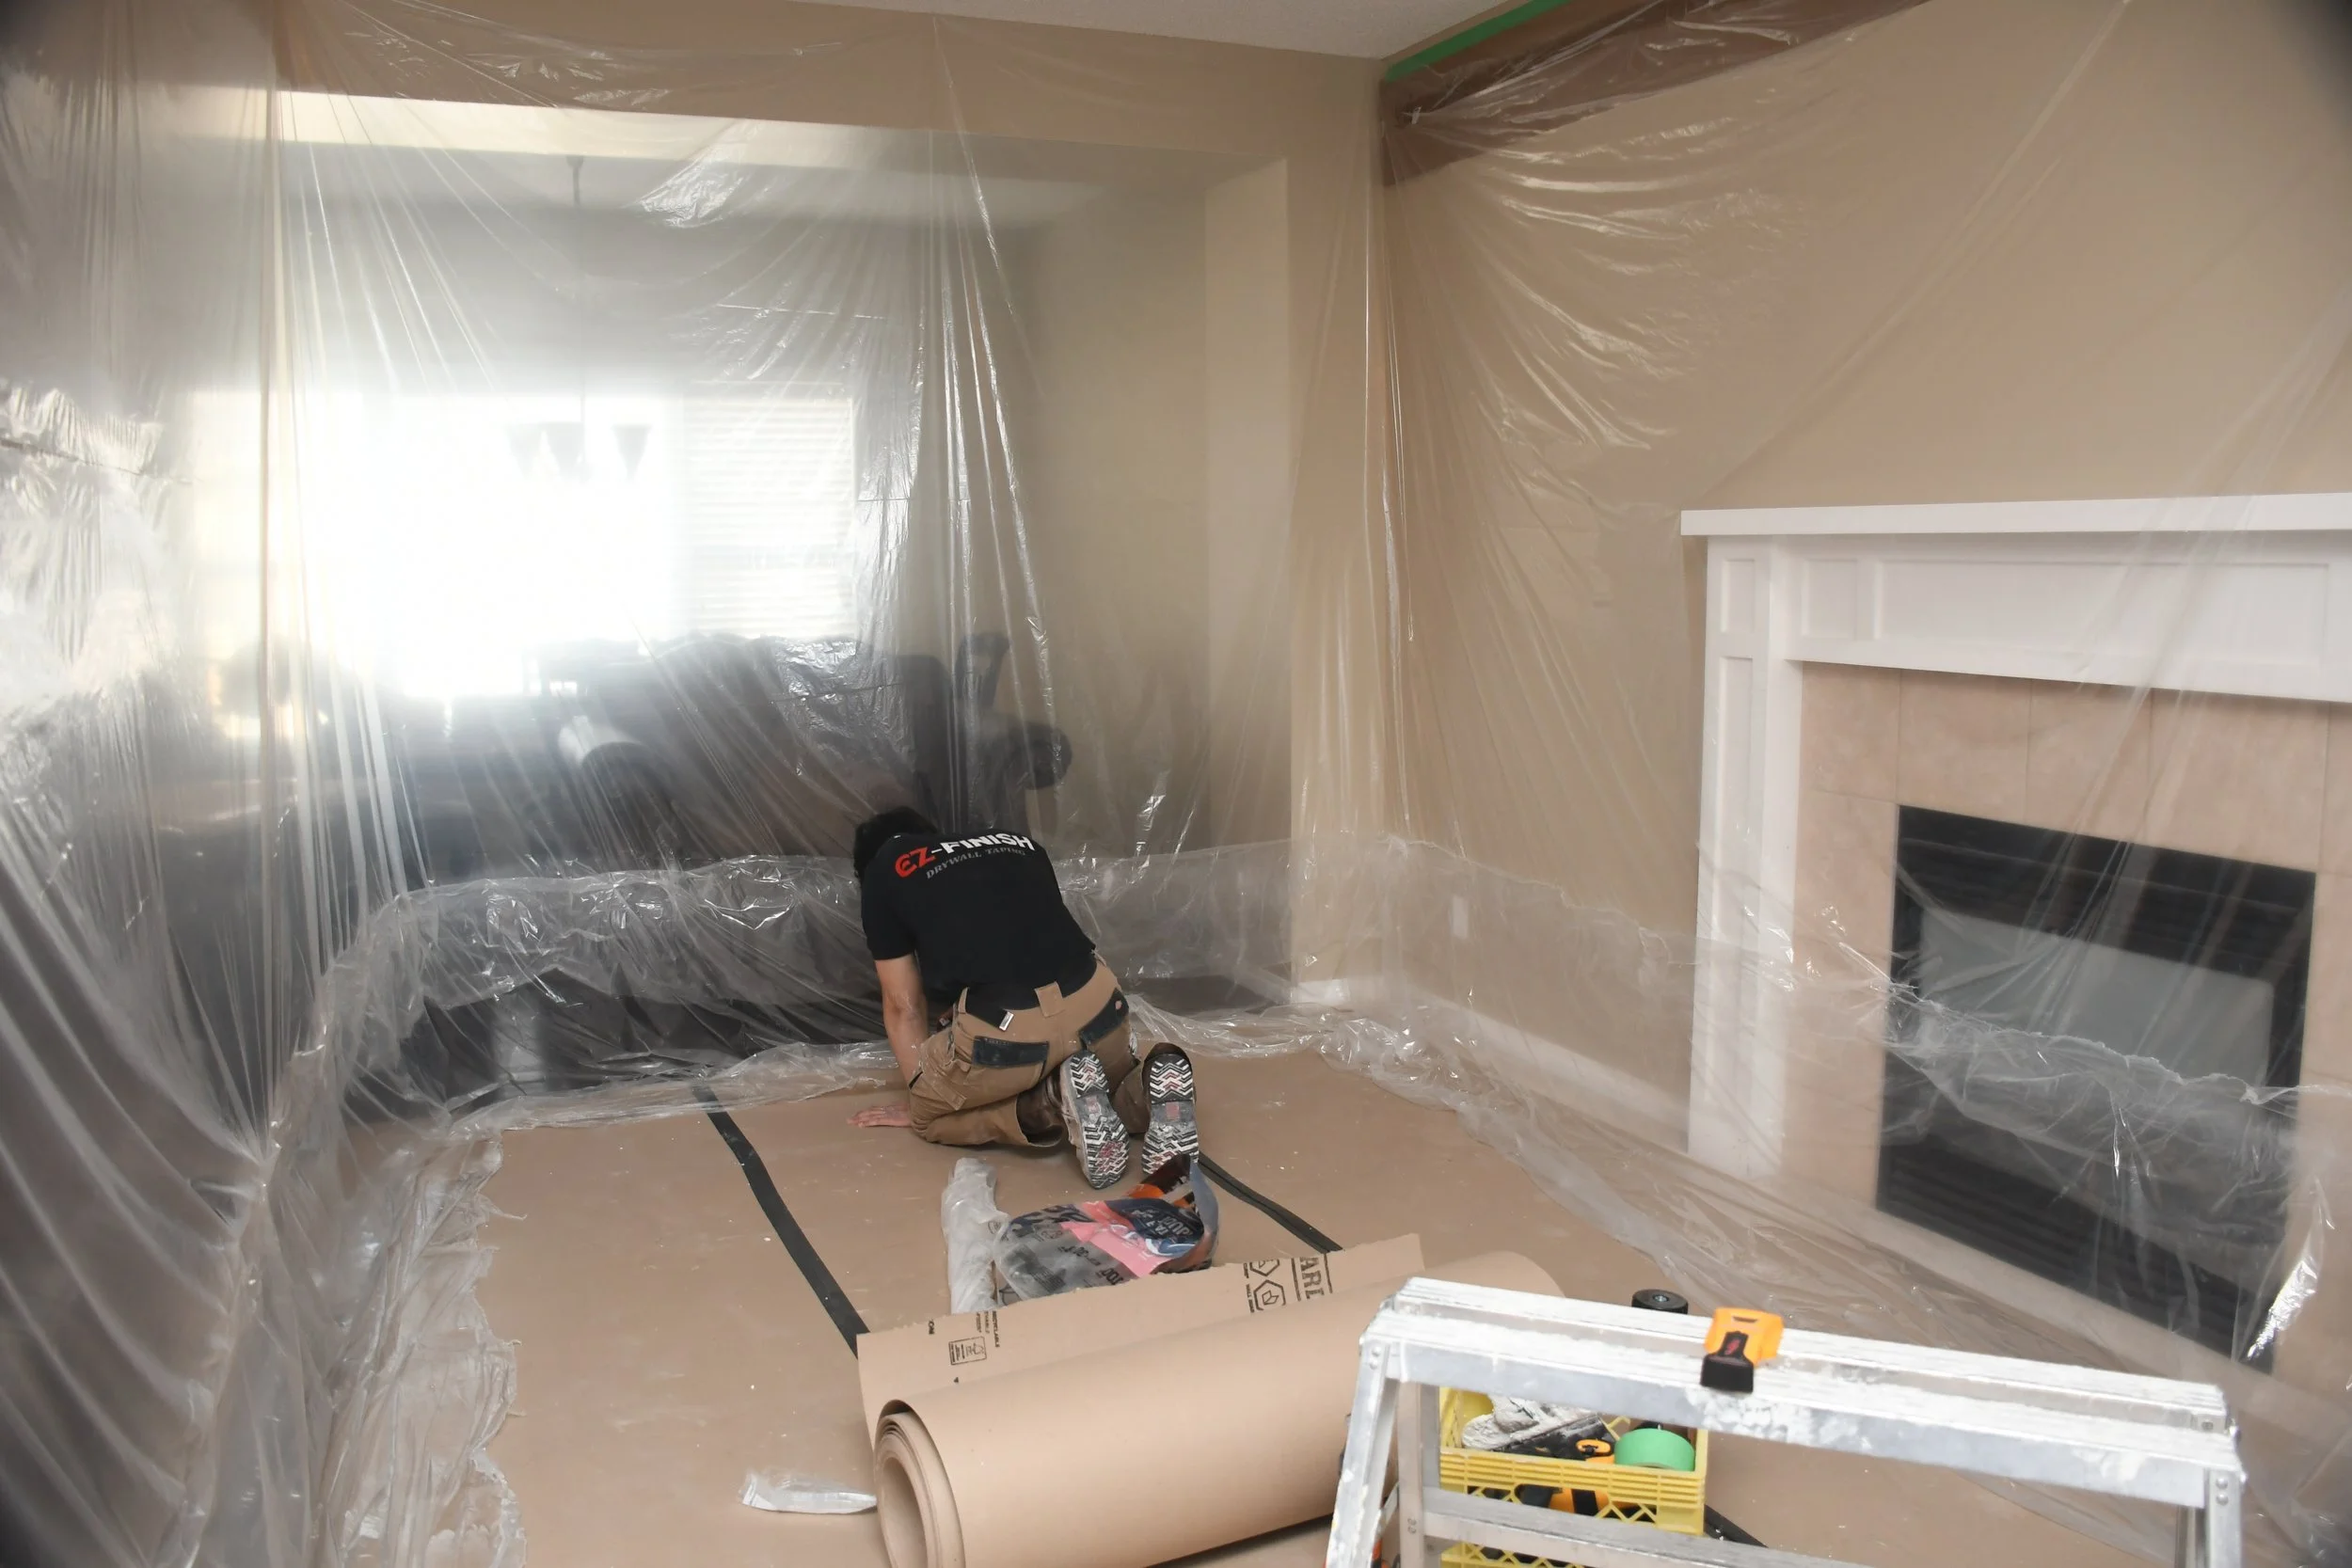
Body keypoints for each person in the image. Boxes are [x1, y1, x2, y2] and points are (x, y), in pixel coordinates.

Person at [846, 805, 1198, 1190]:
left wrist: (925, 1093)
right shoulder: (1019, 844)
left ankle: (1048, 1103)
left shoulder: (886, 869)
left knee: (928, 1119)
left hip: (1014, 1032)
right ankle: (1146, 1087)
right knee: (1097, 1090)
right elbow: (1026, 946)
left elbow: (903, 1006)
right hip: (1100, 1004)